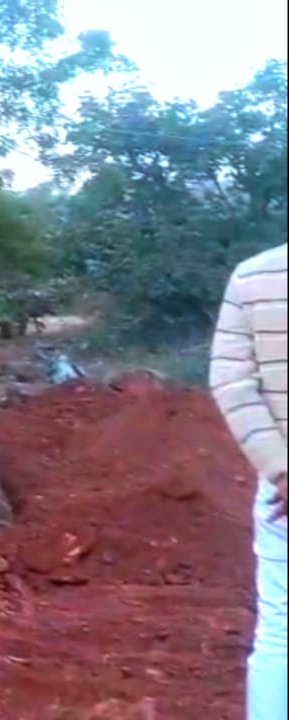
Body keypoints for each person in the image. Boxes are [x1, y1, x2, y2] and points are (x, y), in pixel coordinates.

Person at [209, 242, 287, 720]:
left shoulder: (252, 276)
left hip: (283, 496)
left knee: (281, 631)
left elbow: (232, 385)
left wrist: (280, 468)